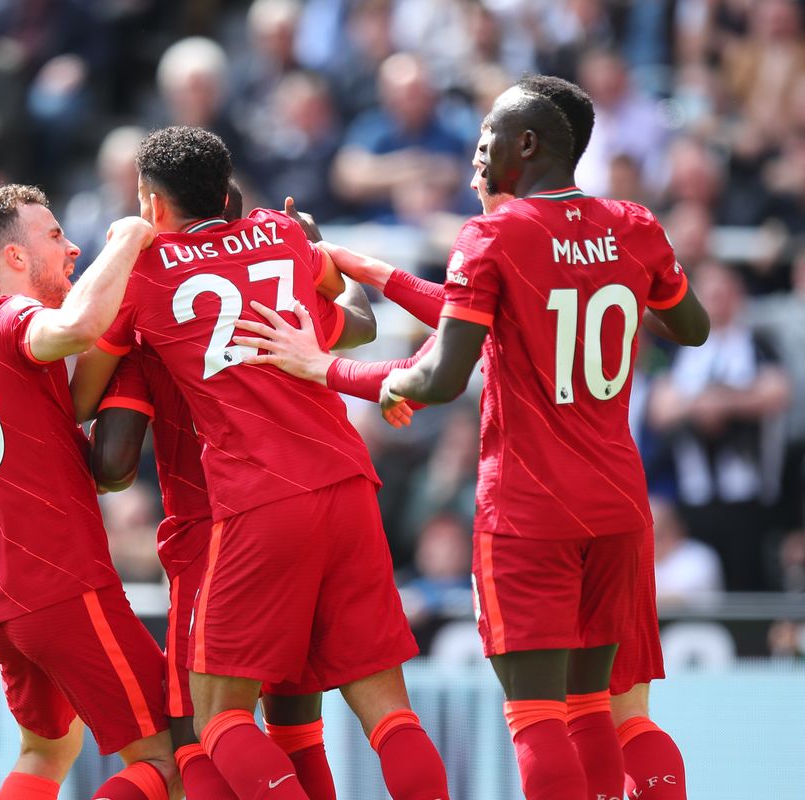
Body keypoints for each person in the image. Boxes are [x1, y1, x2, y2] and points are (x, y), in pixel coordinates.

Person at [233, 78, 710, 800]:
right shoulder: (634, 225)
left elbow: (440, 378)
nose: (475, 155)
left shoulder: (494, 234)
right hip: (617, 503)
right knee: (601, 709)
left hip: (530, 508)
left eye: (486, 139)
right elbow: (691, 328)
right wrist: (367, 268)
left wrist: (326, 368)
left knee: (537, 717)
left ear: (527, 144)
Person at [72, 126, 449, 800]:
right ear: (228, 193)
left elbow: (91, 416)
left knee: (214, 724)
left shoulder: (145, 276)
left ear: (151, 206)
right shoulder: (282, 233)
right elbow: (353, 319)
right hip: (349, 481)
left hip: (249, 508)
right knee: (388, 714)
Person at [90, 184, 374, 800]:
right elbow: (359, 326)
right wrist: (320, 256)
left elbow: (112, 463)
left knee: (199, 738)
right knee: (299, 732)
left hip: (214, 539)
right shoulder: (285, 302)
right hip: (309, 513)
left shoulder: (150, 327)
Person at [0, 184, 177, 800]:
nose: (72, 248)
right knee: (173, 758)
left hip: (3, 596)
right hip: (62, 588)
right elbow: (79, 325)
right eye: (53, 236)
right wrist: (128, 237)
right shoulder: (7, 318)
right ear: (16, 259)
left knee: (48, 749)